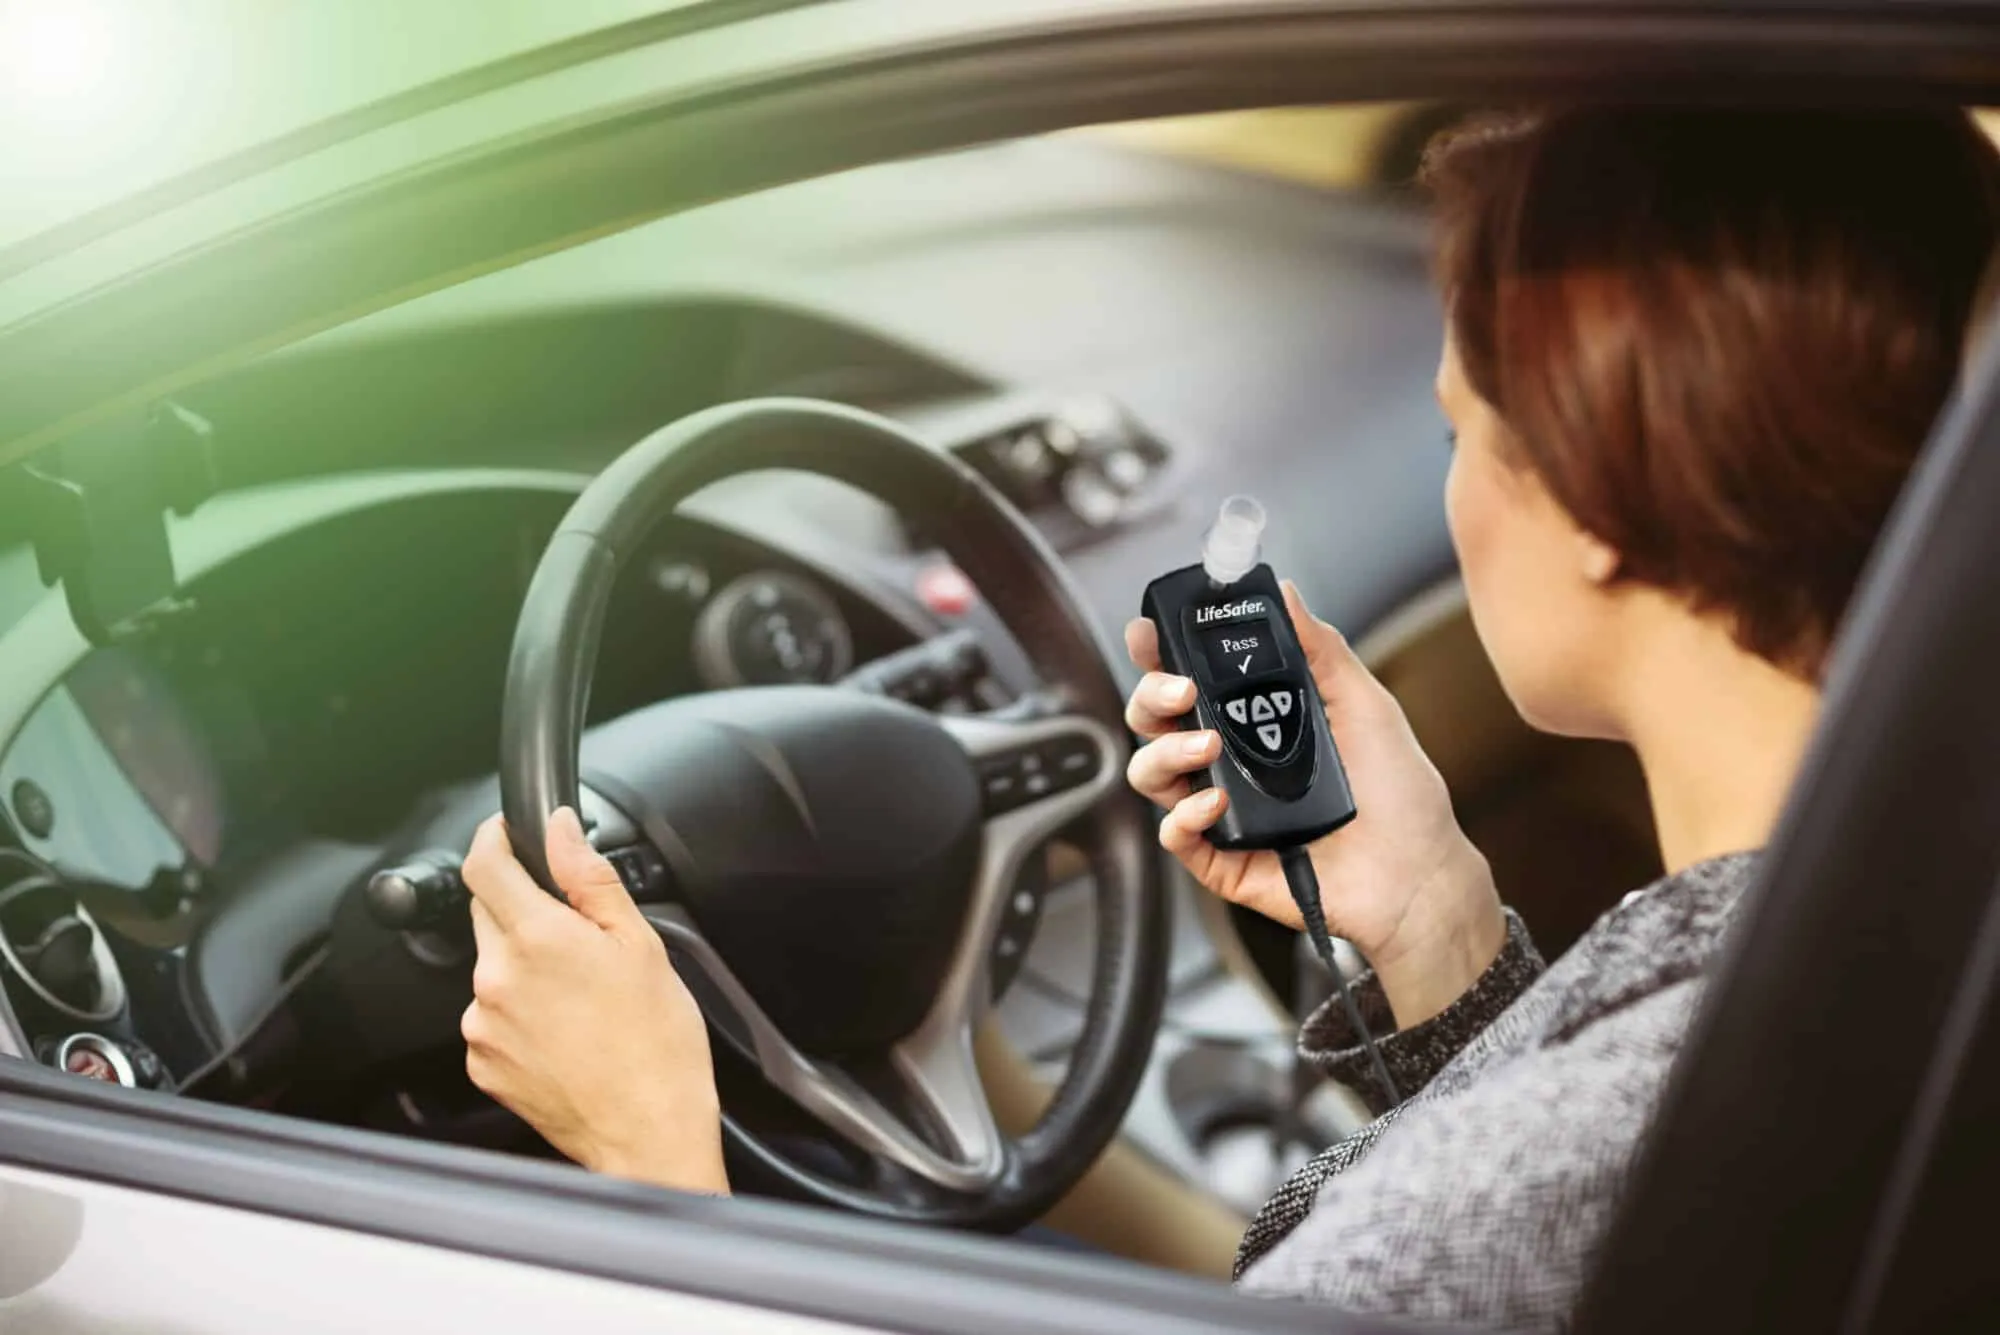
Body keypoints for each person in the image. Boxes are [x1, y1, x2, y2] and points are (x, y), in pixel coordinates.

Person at [452, 106, 2000, 1330]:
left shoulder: (1483, 1213)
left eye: (1463, 421)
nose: (1456, 476)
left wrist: (658, 1171)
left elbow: (1479, 1230)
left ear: (1597, 498)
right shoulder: (1906, 933)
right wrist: (1445, 929)